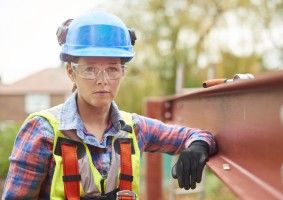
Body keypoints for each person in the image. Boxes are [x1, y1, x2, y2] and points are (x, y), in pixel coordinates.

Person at [2, 11, 217, 199]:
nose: (102, 80)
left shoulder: (135, 129)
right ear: (71, 72)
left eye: (113, 69)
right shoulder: (42, 132)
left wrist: (198, 146)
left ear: (123, 72)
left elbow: (198, 135)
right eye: (90, 69)